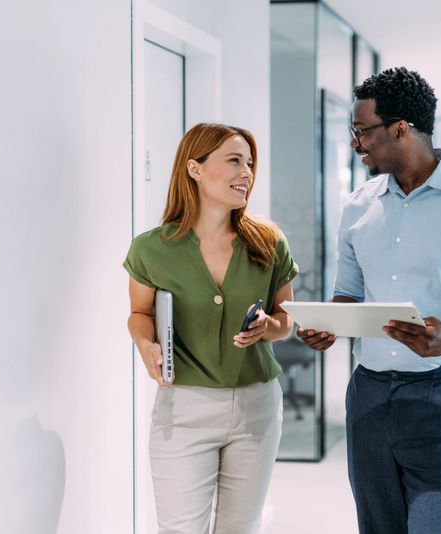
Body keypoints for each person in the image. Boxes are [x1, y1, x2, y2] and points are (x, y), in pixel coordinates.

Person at [297, 67, 441, 534]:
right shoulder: (358, 206)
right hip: (369, 397)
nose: (355, 143)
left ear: (400, 128)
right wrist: (327, 323)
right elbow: (350, 294)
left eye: (362, 132)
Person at [124, 123, 298, 534]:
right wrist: (145, 344)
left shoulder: (269, 241)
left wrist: (269, 326)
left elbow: (287, 320)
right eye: (234, 161)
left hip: (256, 407)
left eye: (250, 163)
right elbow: (139, 314)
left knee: (241, 527)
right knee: (181, 528)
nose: (247, 173)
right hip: (183, 409)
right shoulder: (151, 247)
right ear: (195, 169)